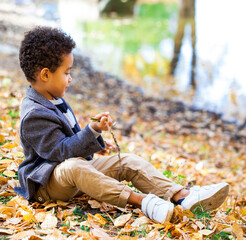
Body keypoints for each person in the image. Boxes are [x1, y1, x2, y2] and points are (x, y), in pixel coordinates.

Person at [14, 26, 229, 224]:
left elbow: (70, 139)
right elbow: (60, 152)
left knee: (126, 161)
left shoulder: (53, 97)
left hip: (74, 175)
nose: (70, 79)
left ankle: (182, 196)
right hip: (48, 184)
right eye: (66, 72)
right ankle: (143, 202)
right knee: (74, 167)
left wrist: (94, 134)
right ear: (45, 74)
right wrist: (90, 132)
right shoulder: (34, 115)